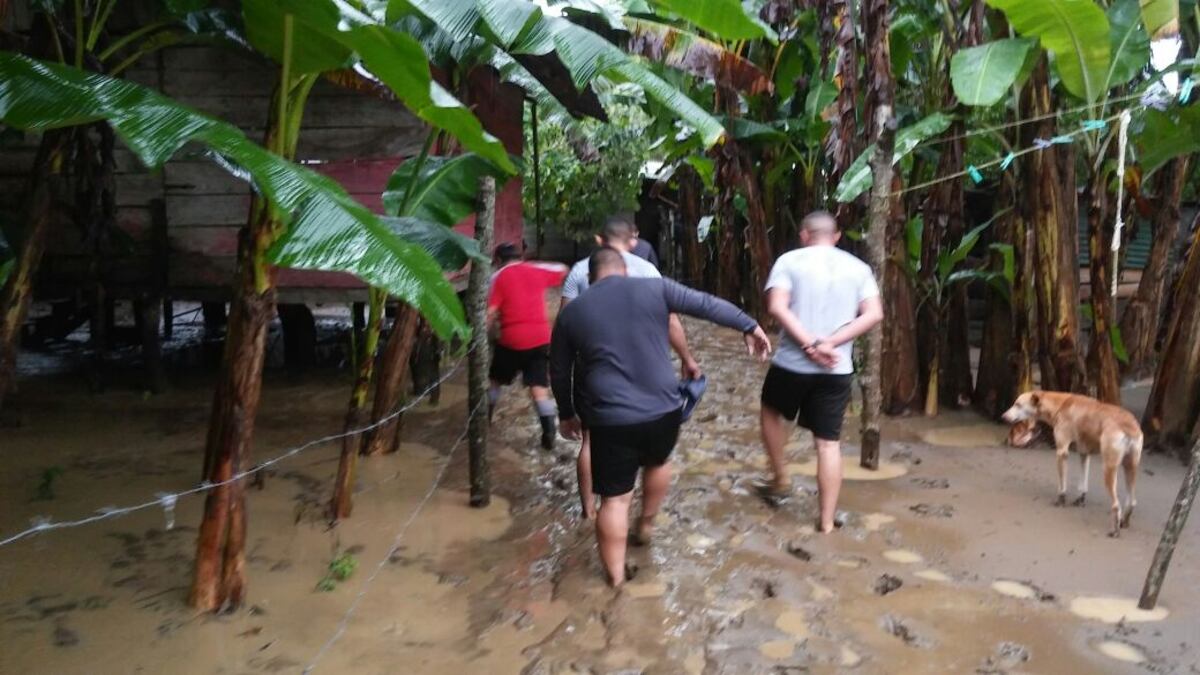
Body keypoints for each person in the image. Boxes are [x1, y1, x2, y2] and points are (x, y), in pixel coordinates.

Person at [551, 248, 772, 586]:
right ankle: (647, 525)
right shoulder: (656, 288)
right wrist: (749, 325)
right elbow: (707, 305)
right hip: (663, 408)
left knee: (615, 500)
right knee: (658, 461)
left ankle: (614, 580)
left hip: (611, 415)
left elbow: (559, 367)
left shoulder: (573, 311)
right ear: (624, 269)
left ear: (591, 277)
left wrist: (567, 413)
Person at [561, 216, 701, 519]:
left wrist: (563, 393)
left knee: (589, 439)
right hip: (647, 367)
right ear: (632, 241)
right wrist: (687, 359)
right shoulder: (648, 271)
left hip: (594, 369)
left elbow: (565, 322)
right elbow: (671, 321)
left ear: (600, 240)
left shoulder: (580, 270)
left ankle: (589, 509)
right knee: (656, 455)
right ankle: (645, 518)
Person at [758, 210, 883, 534]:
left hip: (792, 363)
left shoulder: (789, 261)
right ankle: (826, 521)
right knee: (828, 444)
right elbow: (873, 314)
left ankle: (780, 478)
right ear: (837, 236)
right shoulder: (858, 268)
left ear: (804, 234)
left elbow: (777, 307)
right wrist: (831, 343)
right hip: (836, 368)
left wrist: (810, 343)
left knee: (771, 412)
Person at [487, 242, 569, 449]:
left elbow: (489, 313)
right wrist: (531, 264)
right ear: (520, 256)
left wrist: (484, 335)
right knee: (539, 388)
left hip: (511, 339)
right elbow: (562, 269)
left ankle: (485, 420)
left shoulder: (497, 277)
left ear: (497, 260)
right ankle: (549, 432)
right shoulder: (535, 269)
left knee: (495, 380)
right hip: (541, 338)